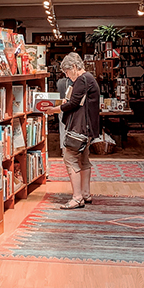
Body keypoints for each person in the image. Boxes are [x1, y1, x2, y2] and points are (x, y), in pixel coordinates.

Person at [44, 52, 100, 209]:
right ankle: (86, 193)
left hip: (79, 128)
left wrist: (54, 109)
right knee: (84, 159)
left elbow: (73, 103)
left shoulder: (82, 79)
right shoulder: (88, 78)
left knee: (70, 158)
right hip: (87, 128)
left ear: (75, 67)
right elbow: (78, 101)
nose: (67, 76)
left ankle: (77, 197)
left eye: (67, 72)